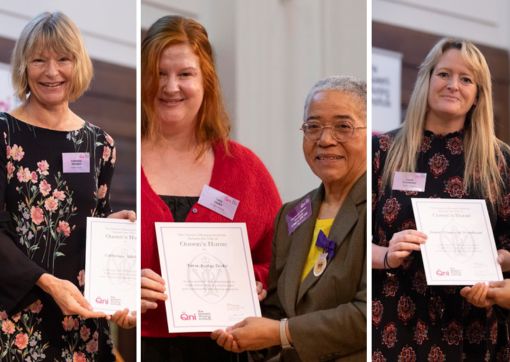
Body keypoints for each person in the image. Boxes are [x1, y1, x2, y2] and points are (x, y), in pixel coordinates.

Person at [140, 15, 281, 361]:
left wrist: (256, 279)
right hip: (136, 345)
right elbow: (85, 255)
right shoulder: (116, 161)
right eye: (159, 73)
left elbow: (280, 259)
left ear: (207, 81)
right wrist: (120, 285)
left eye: (185, 74)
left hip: (225, 349)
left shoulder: (244, 168)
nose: (170, 86)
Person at [0, 12, 136, 361]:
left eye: (63, 59)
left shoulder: (100, 144)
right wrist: (46, 282)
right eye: (39, 60)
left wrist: (110, 232)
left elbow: (92, 224)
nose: (51, 71)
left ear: (78, 64)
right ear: (23, 66)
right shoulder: (3, 134)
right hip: (14, 323)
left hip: (82, 324)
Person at [372, 38, 510, 360]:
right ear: (427, 79)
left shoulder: (501, 161)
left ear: (478, 94)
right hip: (393, 323)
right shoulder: (382, 151)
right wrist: (387, 255)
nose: (453, 85)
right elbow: (353, 245)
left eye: (466, 79)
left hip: (470, 329)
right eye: (444, 74)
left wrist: (496, 264)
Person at [212, 76, 367, 361]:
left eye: (343, 127)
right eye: (313, 127)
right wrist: (242, 328)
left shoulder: (381, 208)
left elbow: (368, 315)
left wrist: (280, 332)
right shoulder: (292, 214)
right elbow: (275, 311)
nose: (325, 139)